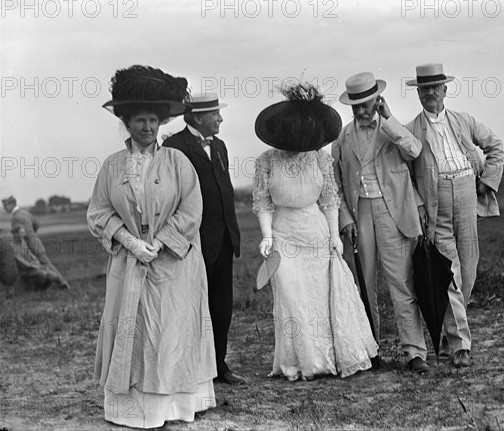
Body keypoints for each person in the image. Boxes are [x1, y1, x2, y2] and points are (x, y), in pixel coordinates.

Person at [87, 65, 217, 428]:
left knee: (170, 332)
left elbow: (192, 210)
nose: (147, 128)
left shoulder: (178, 162)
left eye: (153, 121)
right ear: (126, 123)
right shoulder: (112, 167)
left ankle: (172, 407)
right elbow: (98, 212)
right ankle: (131, 409)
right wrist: (129, 241)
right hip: (129, 265)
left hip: (173, 266)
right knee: (134, 329)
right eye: (139, 121)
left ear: (161, 124)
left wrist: (159, 243)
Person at [253, 83, 378, 381]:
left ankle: (329, 356)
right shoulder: (266, 161)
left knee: (322, 296)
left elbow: (329, 199)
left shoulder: (321, 159)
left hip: (317, 232)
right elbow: (263, 202)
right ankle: (301, 361)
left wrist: (334, 235)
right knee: (292, 298)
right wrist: (267, 236)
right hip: (284, 235)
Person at [405, 63, 504, 368]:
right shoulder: (411, 131)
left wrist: (486, 182)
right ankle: (461, 345)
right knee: (448, 273)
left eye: (436, 87)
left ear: (446, 90)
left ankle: (448, 338)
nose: (430, 93)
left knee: (468, 271)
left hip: (466, 195)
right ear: (419, 93)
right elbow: (406, 175)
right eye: (425, 89)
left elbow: (497, 148)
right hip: (436, 204)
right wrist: (419, 204)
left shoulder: (464, 121)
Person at [331, 72, 430, 375]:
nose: (361, 110)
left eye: (366, 104)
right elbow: (334, 182)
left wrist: (389, 119)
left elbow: (414, 151)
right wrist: (345, 218)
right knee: (364, 283)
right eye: (356, 106)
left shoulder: (390, 127)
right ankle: (369, 349)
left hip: (393, 212)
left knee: (402, 282)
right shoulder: (343, 137)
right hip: (359, 212)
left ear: (378, 100)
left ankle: (414, 352)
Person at [162, 92, 244, 385]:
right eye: (215, 114)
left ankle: (219, 366)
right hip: (194, 242)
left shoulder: (220, 146)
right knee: (193, 306)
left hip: (224, 239)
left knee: (222, 306)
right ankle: (194, 369)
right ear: (197, 118)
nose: (220, 118)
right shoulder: (173, 147)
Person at [1, 195, 70, 288]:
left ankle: (62, 283)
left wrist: (27, 237)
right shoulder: (25, 212)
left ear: (12, 204)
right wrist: (32, 234)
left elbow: (17, 233)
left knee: (44, 264)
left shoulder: (15, 218)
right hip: (35, 241)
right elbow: (37, 224)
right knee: (43, 264)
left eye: (6, 206)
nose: (5, 208)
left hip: (28, 244)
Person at [11, 225, 68, 289]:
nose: (23, 235)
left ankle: (44, 289)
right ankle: (36, 290)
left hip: (33, 267)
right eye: (21, 233)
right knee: (42, 274)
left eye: (23, 233)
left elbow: (32, 256)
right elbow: (22, 263)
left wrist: (38, 264)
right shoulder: (13, 247)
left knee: (54, 276)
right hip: (24, 271)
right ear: (15, 234)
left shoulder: (23, 242)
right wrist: (37, 267)